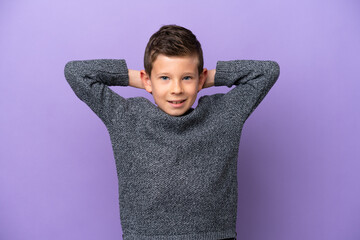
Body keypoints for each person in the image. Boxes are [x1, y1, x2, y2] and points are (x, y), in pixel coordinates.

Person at [64, 24, 280, 240]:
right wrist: (143, 79)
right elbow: (75, 72)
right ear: (147, 80)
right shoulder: (127, 117)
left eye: (186, 78)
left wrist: (203, 78)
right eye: (165, 78)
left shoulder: (223, 115)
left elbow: (268, 71)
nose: (176, 89)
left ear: (200, 79)